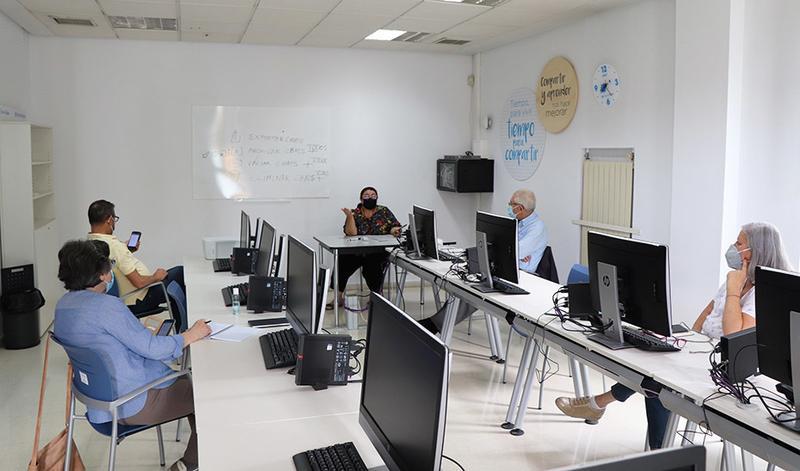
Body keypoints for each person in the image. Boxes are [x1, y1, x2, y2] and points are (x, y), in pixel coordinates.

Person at [554, 222, 793, 449]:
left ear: (755, 252)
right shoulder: (738, 278)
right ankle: (647, 442)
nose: (733, 247)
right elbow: (709, 311)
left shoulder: (760, 292)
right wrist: (691, 340)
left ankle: (609, 412)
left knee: (657, 382)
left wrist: (734, 291)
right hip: (703, 352)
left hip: (728, 368)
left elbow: (734, 333)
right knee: (651, 368)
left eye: (739, 243)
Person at [53, 240, 211, 471]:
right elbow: (152, 349)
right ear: (101, 274)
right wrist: (191, 335)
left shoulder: (62, 307)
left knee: (187, 387)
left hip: (97, 408)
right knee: (207, 396)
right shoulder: (107, 306)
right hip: (133, 404)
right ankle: (191, 463)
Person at [420, 189, 549, 334]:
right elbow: (505, 249)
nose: (509, 206)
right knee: (468, 285)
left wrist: (510, 252)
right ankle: (437, 323)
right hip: (505, 269)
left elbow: (513, 253)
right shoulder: (517, 223)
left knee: (476, 292)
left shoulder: (537, 227)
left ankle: (434, 325)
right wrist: (509, 252)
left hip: (523, 276)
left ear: (520, 208)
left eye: (511, 204)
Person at [87, 200, 185, 326]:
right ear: (109, 220)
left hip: (123, 299)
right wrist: (155, 277)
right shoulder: (115, 247)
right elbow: (139, 282)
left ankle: (181, 326)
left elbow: (114, 262)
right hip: (138, 299)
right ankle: (182, 327)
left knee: (174, 280)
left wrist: (126, 250)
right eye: (115, 219)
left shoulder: (91, 243)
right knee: (179, 274)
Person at [330, 187, 402, 308]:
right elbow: (351, 233)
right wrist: (349, 216)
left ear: (377, 198)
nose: (370, 198)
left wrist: (395, 230)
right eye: (366, 196)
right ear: (361, 199)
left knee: (372, 267)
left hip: (377, 251)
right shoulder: (355, 213)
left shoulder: (384, 211)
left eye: (373, 195)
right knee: (342, 262)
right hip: (356, 251)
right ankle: (338, 297)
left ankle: (376, 297)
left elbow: (394, 226)